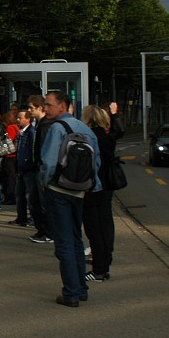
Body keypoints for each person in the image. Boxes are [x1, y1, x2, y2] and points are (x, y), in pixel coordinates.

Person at [39, 90, 102, 307]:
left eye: (48, 105)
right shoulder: (86, 129)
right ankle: (81, 288)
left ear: (62, 106)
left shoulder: (57, 129)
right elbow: (96, 163)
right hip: (80, 192)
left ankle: (71, 294)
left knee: (64, 242)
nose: (45, 108)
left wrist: (45, 184)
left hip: (59, 191)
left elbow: (47, 163)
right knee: (76, 240)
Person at [82, 105, 116, 282]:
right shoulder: (106, 136)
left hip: (94, 187)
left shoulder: (91, 137)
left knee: (94, 229)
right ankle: (103, 266)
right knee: (104, 227)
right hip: (106, 187)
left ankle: (99, 270)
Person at [25, 94, 52, 243]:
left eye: (31, 108)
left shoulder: (45, 125)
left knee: (41, 202)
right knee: (34, 201)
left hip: (41, 169)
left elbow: (44, 149)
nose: (29, 110)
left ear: (40, 108)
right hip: (37, 168)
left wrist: (40, 165)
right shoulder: (40, 124)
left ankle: (47, 232)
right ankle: (42, 230)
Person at [10, 108, 36, 228]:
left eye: (20, 118)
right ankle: (21, 217)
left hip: (27, 169)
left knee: (29, 195)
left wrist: (28, 163)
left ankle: (33, 218)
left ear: (28, 119)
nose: (18, 119)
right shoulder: (22, 132)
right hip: (20, 168)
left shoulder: (31, 132)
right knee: (19, 194)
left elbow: (32, 150)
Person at [0, 109, 20, 205]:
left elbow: (7, 142)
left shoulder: (10, 128)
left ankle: (10, 197)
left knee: (9, 178)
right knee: (13, 177)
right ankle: (12, 196)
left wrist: (0, 146)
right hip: (15, 156)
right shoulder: (16, 127)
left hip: (9, 156)